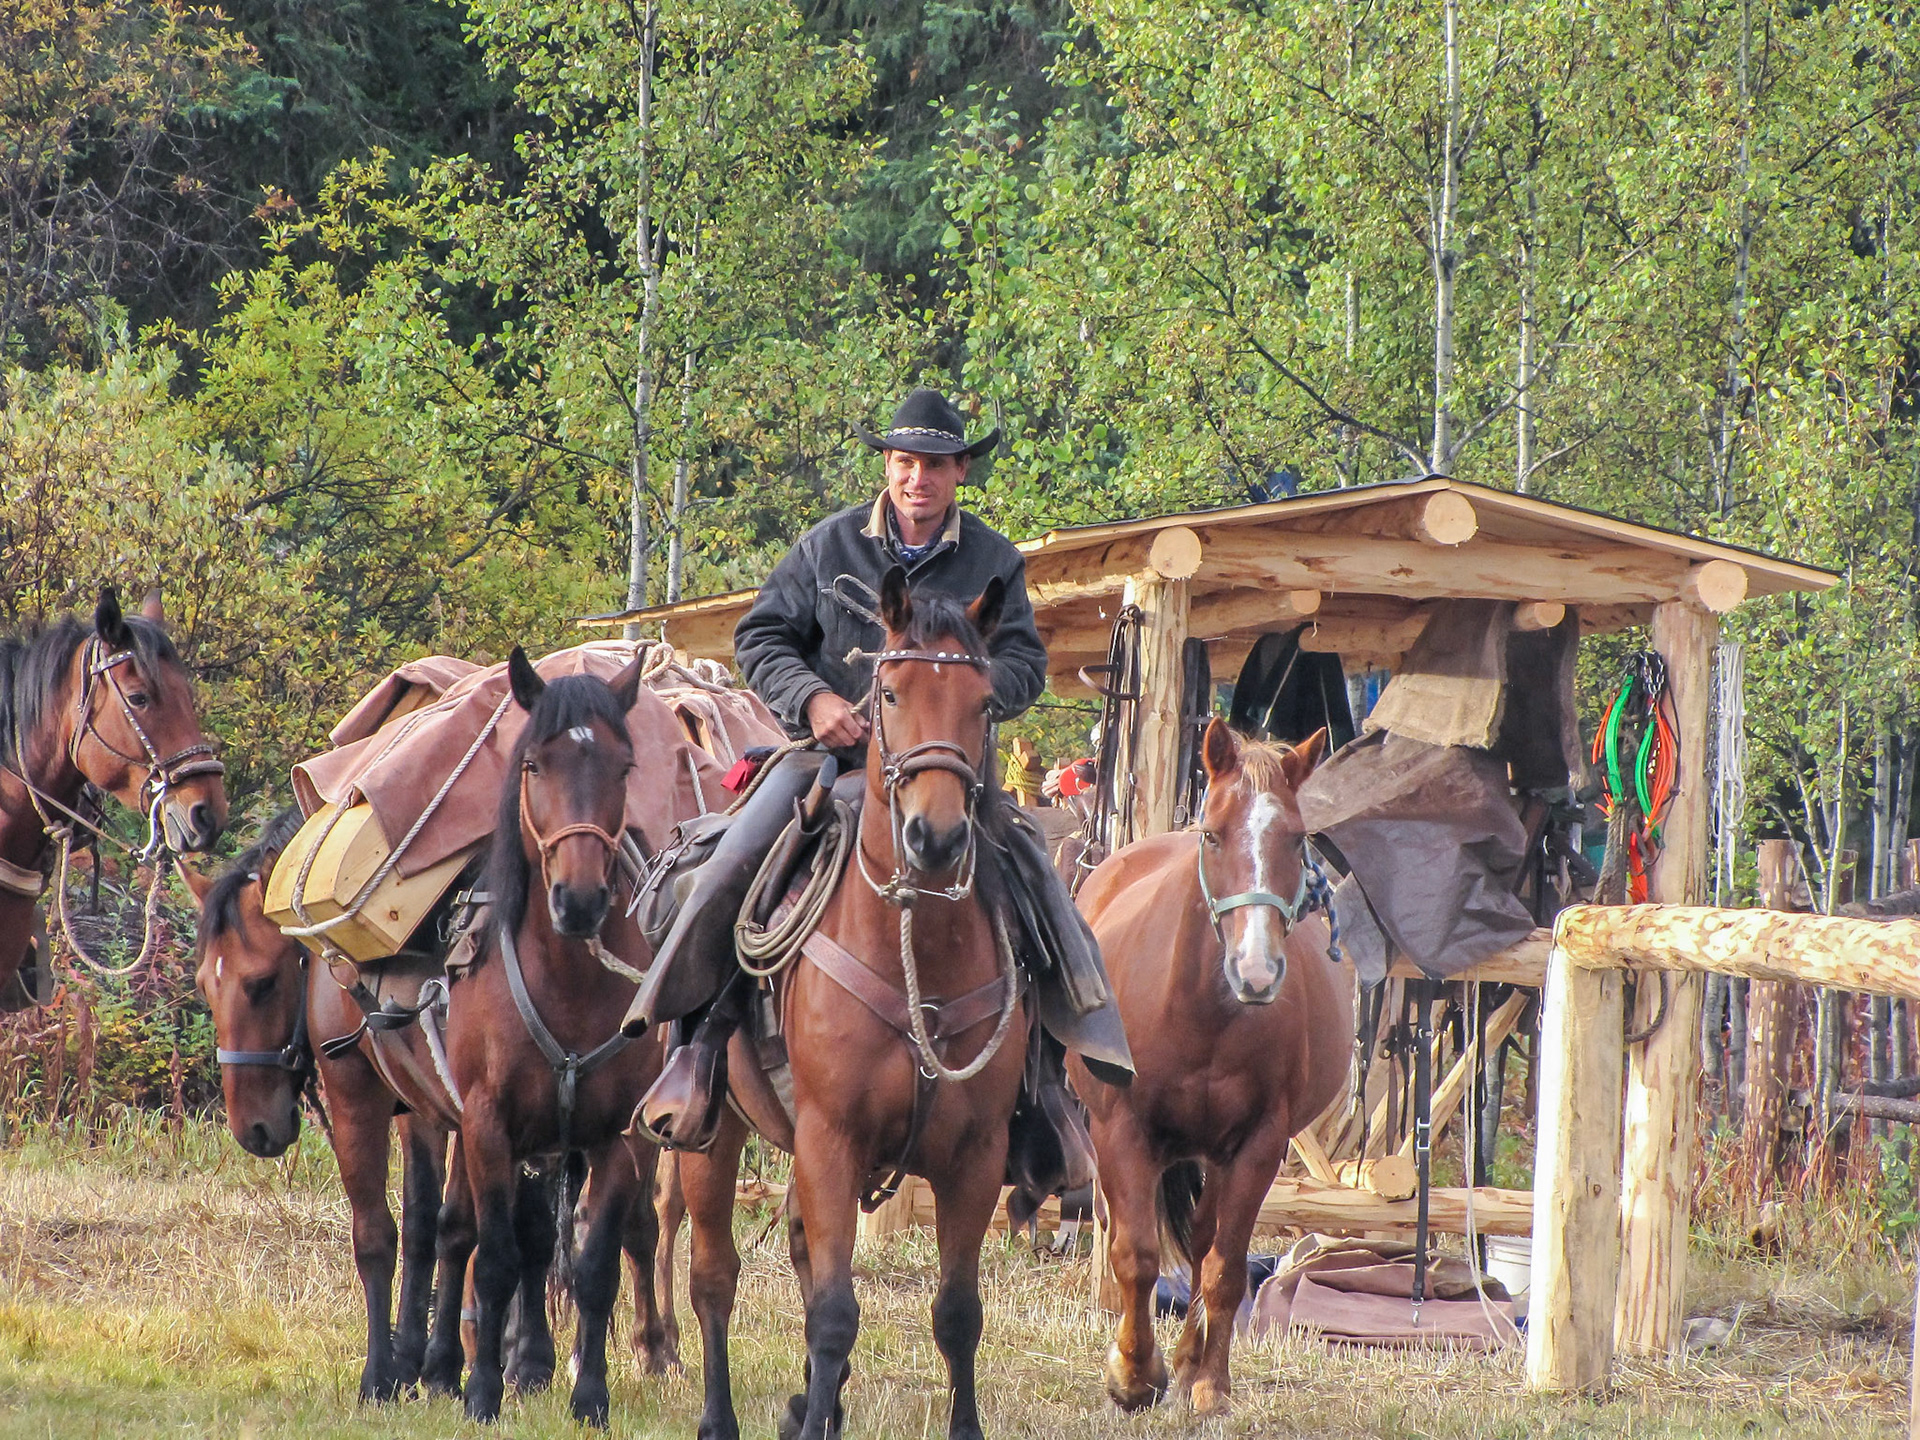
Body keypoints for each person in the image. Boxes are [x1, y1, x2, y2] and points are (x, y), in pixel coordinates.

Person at [620, 387, 1131, 1152]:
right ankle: (693, 1050)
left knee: (1038, 881)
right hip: (826, 764)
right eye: (905, 463)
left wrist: (966, 694)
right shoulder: (827, 547)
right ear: (887, 466)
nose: (917, 478)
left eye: (934, 465)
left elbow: (1025, 660)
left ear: (960, 471)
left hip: (950, 775)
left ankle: (1048, 1089)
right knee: (730, 862)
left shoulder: (995, 561)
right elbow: (761, 637)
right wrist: (814, 698)